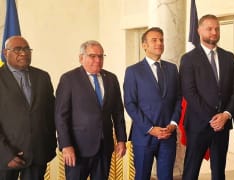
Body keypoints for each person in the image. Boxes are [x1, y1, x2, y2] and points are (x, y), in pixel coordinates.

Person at [179, 14, 234, 180]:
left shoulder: (229, 57)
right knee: (191, 172)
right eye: (210, 28)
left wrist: (226, 115)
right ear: (199, 30)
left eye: (217, 29)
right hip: (198, 126)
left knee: (219, 172)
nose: (214, 32)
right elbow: (189, 92)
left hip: (223, 125)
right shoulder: (188, 59)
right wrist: (213, 119)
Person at [55, 40, 127, 180]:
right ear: (81, 58)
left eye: (101, 56)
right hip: (77, 149)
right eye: (92, 56)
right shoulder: (69, 79)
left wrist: (121, 139)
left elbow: (118, 112)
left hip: (104, 147)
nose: (97, 60)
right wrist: (66, 145)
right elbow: (60, 116)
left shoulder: (111, 79)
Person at [123, 27, 182, 180]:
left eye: (161, 40)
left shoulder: (172, 69)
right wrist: (150, 128)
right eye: (154, 40)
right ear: (144, 45)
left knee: (166, 176)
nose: (159, 43)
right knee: (142, 176)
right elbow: (130, 103)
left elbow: (178, 99)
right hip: (144, 136)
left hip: (168, 135)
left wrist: (174, 123)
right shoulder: (133, 71)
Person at [0, 36, 56, 180]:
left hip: (38, 153)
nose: (24, 53)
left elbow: (51, 113)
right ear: (5, 53)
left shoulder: (42, 77)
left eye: (26, 49)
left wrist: (50, 144)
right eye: (17, 49)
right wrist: (5, 154)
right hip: (6, 156)